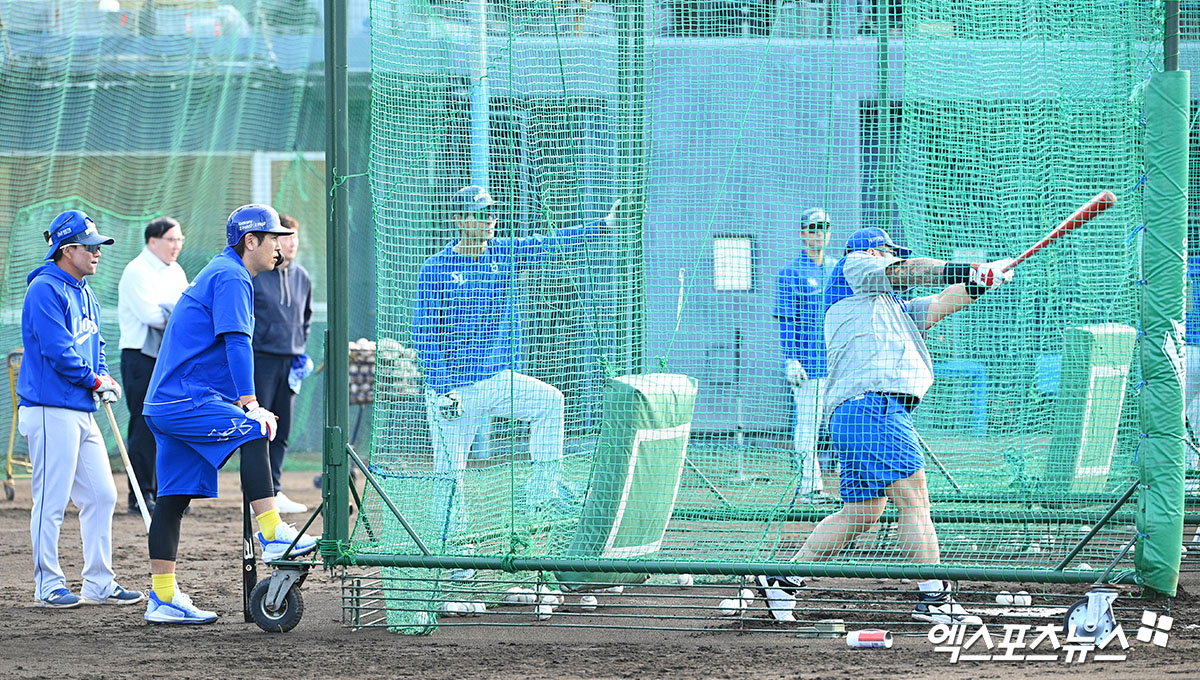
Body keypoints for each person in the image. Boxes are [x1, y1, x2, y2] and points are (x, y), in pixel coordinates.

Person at [755, 226, 1013, 624]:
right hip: (873, 406)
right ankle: (935, 600)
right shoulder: (854, 268)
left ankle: (782, 580)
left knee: (862, 512)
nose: (893, 257)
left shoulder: (885, 308)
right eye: (888, 252)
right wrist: (967, 266)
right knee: (914, 499)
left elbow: (944, 301)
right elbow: (910, 271)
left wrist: (985, 280)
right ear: (875, 253)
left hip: (857, 412)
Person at [140, 204, 317, 624]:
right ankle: (273, 533)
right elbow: (237, 343)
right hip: (185, 399)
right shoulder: (232, 274)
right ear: (250, 242)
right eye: (272, 238)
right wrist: (251, 403)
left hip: (171, 400)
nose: (280, 245)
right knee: (256, 431)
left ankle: (162, 599)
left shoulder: (227, 271)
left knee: (172, 500)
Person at [413, 186, 618, 523]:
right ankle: (455, 554)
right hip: (454, 392)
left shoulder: (503, 253)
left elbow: (550, 243)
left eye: (492, 212)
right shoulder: (436, 268)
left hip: (496, 379)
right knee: (449, 477)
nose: (491, 219)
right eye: (481, 214)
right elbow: (424, 334)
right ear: (460, 220)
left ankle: (542, 495)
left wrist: (603, 226)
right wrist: (442, 387)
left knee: (550, 402)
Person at [18, 210, 144, 608]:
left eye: (99, 246)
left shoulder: (83, 290)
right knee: (51, 500)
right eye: (90, 246)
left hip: (80, 408)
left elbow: (97, 345)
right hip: (48, 406)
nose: (98, 253)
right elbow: (59, 350)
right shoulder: (45, 288)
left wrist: (103, 375)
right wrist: (94, 379)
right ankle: (47, 584)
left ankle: (99, 583)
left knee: (103, 496)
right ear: (67, 249)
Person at [117, 216, 189, 517]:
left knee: (167, 424)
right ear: (153, 241)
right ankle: (140, 494)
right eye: (171, 239)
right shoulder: (137, 270)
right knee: (144, 425)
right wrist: (174, 314)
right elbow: (151, 315)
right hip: (140, 357)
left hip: (168, 357)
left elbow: (186, 309)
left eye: (180, 240)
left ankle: (165, 493)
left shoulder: (176, 271)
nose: (177, 246)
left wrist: (171, 312)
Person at [774, 207, 837, 503]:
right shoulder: (791, 272)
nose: (818, 234)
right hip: (811, 367)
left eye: (823, 227)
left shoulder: (838, 268)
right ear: (802, 234)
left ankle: (854, 489)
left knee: (846, 429)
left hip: (841, 365)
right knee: (808, 428)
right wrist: (791, 359)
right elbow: (787, 320)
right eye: (812, 228)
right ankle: (810, 487)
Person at [251, 213, 313, 515]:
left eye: (294, 238)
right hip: (260, 360)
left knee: (281, 429)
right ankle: (255, 496)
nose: (290, 244)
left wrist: (299, 348)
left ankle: (274, 491)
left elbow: (306, 319)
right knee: (259, 429)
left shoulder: (302, 276)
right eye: (284, 238)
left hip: (291, 363)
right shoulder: (258, 275)